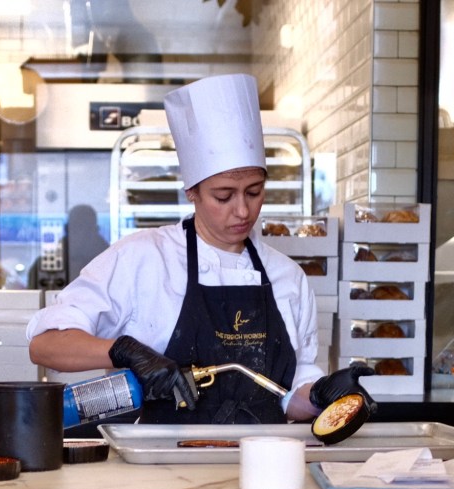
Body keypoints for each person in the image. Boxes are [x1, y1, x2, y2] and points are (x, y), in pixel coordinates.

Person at [27, 73, 375, 425]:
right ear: (191, 192)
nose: (243, 211)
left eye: (254, 192)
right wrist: (123, 352)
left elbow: (287, 396)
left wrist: (321, 398)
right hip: (159, 457)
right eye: (223, 196)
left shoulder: (288, 276)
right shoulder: (143, 259)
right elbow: (45, 345)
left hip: (261, 454)